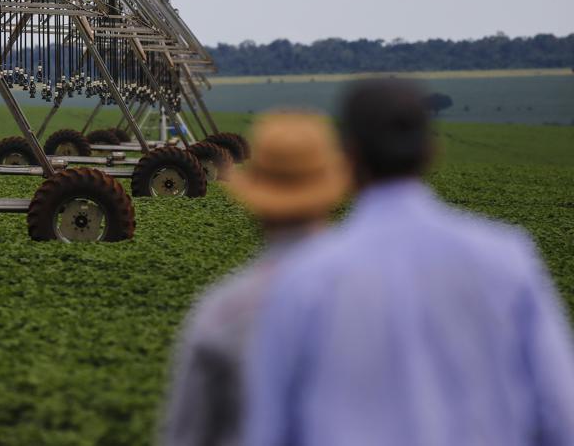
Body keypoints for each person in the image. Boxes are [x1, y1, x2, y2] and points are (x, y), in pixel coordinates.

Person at [245, 79, 574, 446]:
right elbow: (560, 413)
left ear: (348, 158)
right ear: (431, 151)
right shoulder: (508, 258)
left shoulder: (305, 278)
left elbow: (271, 428)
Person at [164, 112, 349, 446]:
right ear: (330, 191)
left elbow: (188, 434)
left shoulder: (225, 310)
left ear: (257, 200)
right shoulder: (382, 297)